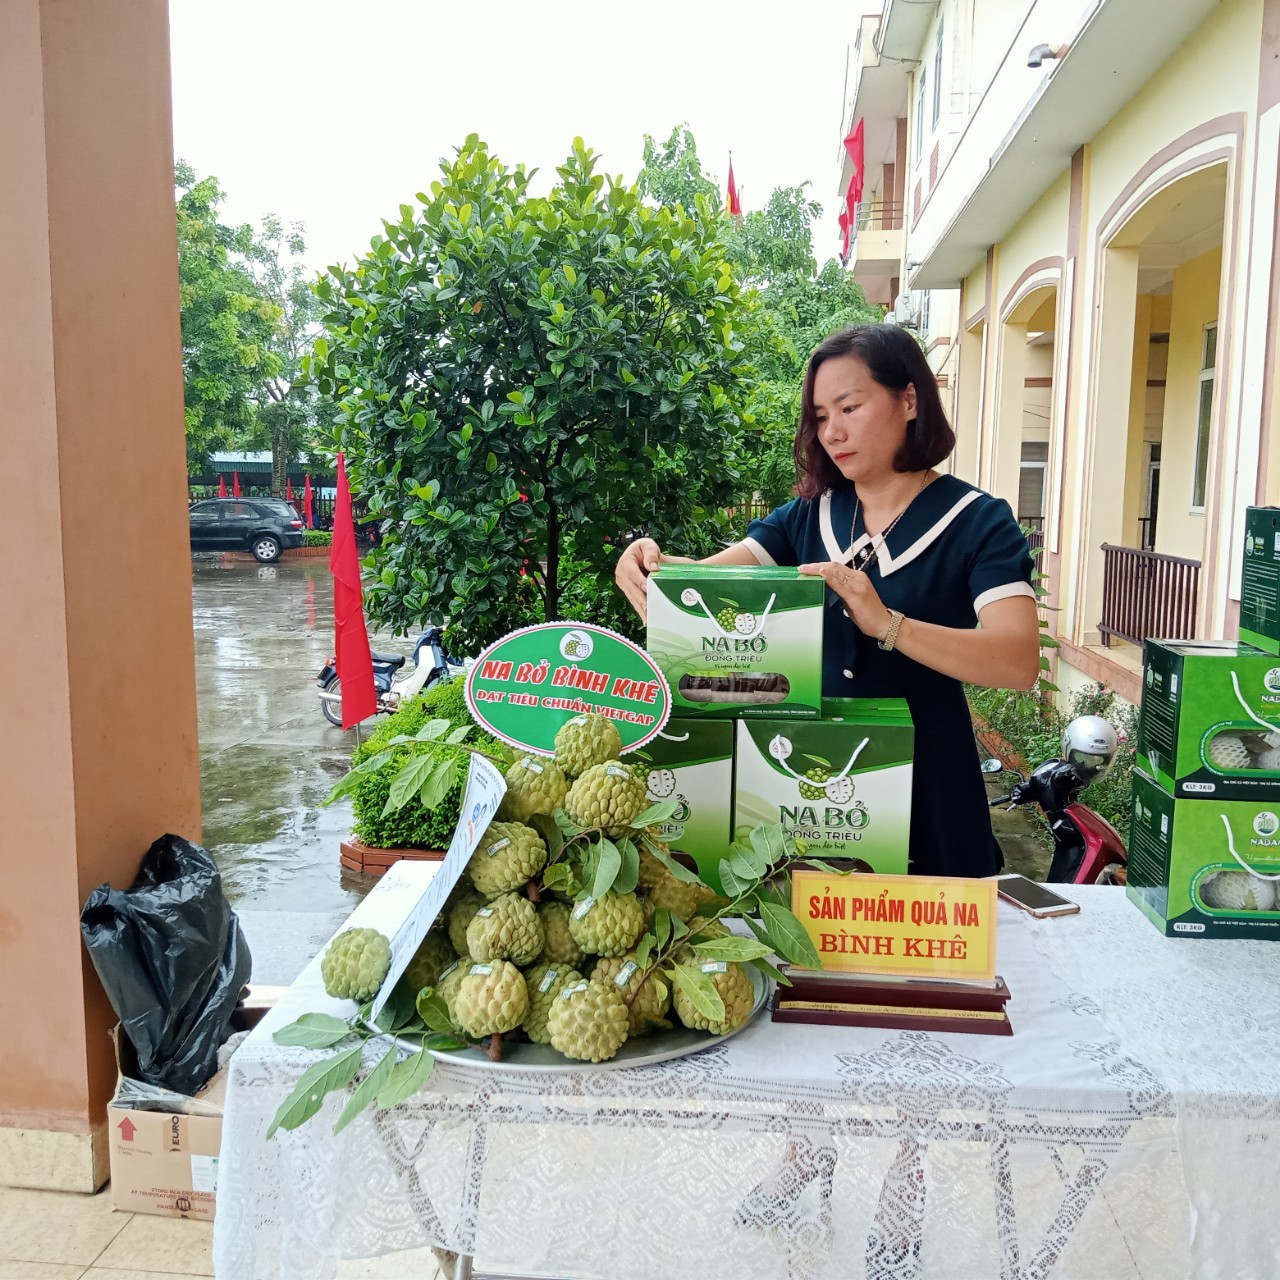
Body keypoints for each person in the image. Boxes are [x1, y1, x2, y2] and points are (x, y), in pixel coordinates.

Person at [616, 323, 1040, 878]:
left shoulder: (977, 522)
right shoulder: (808, 517)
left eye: (849, 407)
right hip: (815, 804)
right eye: (820, 417)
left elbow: (1017, 660)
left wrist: (888, 624)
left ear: (909, 399)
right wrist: (649, 562)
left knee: (925, 955)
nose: (833, 432)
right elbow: (702, 578)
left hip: (930, 790)